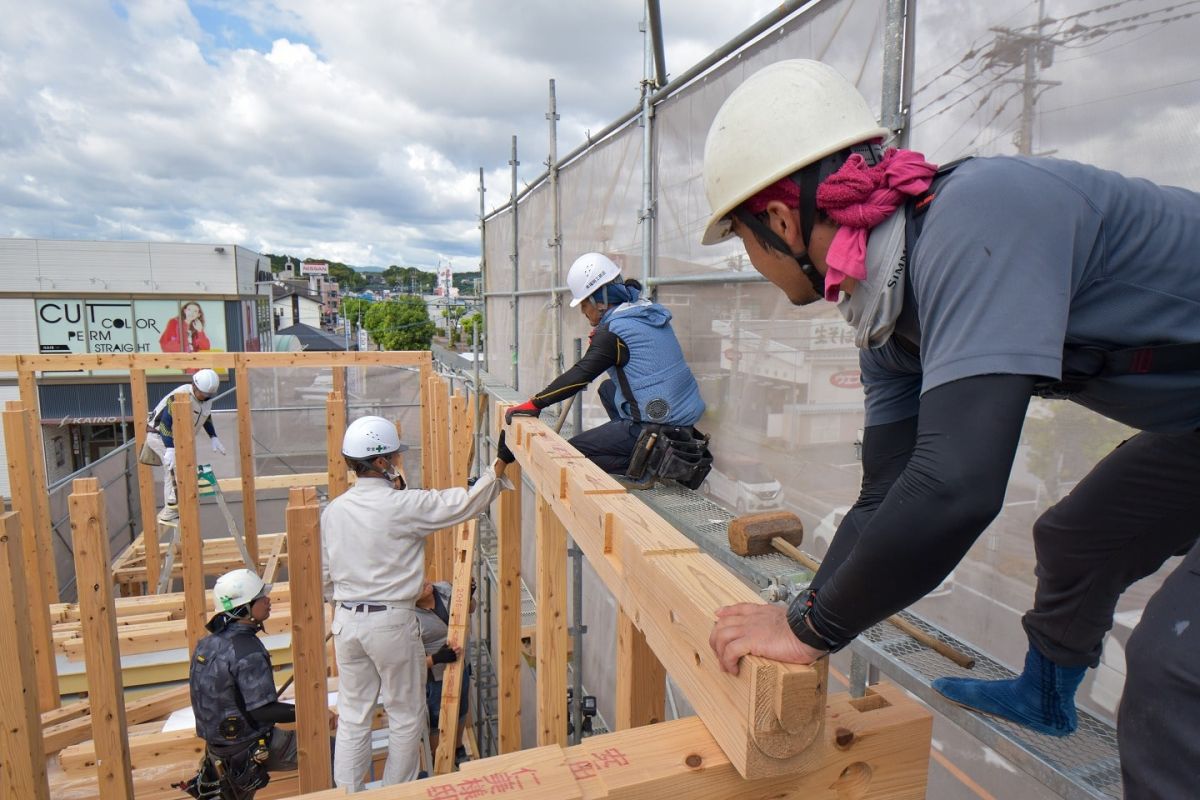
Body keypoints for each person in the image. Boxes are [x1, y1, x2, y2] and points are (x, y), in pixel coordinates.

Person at [701, 59, 1200, 798]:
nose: (751, 260)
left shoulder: (979, 219)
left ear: (779, 221)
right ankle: (1047, 697)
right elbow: (888, 493)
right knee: (1075, 539)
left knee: (1174, 674)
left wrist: (809, 630)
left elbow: (956, 488)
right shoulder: (887, 315)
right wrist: (799, 613)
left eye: (741, 239)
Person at [321, 416, 515, 791]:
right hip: (390, 622)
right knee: (405, 715)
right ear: (380, 462)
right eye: (393, 455)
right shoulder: (401, 505)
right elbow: (460, 504)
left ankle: (345, 794)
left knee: (353, 716)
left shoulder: (334, 512)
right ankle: (398, 793)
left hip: (346, 622)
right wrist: (498, 467)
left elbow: (326, 577)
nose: (397, 460)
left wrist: (345, 606)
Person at [505, 252, 708, 482]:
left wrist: (536, 403)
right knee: (608, 389)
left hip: (658, 426)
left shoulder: (613, 332)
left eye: (583, 304)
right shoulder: (643, 312)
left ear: (598, 300)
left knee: (571, 453)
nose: (582, 312)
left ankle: (650, 460)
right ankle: (631, 443)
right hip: (680, 416)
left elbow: (581, 375)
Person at [182, 569, 305, 799]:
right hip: (251, 746)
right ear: (244, 608)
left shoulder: (206, 645)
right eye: (261, 597)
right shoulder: (247, 650)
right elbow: (262, 711)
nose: (268, 600)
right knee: (337, 752)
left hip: (219, 751)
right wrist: (310, 712)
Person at [145, 368, 227, 522]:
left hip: (179, 440)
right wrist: (169, 448)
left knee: (172, 472)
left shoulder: (206, 398)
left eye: (209, 395)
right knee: (178, 468)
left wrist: (213, 436)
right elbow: (164, 424)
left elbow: (206, 416)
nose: (205, 397)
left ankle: (172, 509)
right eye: (203, 394)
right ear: (194, 386)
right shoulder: (180, 396)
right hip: (159, 435)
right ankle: (172, 508)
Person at [414, 578, 475, 763]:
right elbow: (407, 664)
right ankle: (438, 757)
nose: (424, 582)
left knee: (462, 710)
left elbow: (470, 608)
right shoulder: (408, 618)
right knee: (437, 721)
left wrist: (469, 596)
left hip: (461, 665)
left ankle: (457, 748)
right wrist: (436, 658)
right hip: (436, 679)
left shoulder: (445, 589)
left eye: (421, 578)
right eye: (418, 586)